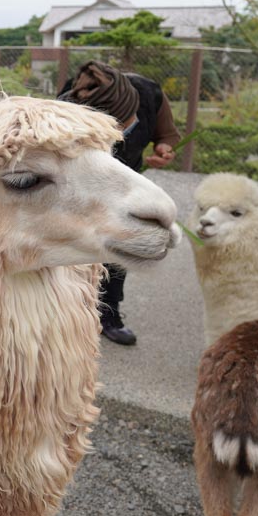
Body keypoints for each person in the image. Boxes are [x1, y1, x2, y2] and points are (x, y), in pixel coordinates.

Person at [57, 60, 181, 344]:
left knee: (119, 247)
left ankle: (108, 315)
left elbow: (166, 134)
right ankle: (65, 314)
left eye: (122, 131)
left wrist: (164, 148)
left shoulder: (148, 93)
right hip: (79, 188)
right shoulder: (68, 102)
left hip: (124, 184)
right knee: (75, 250)